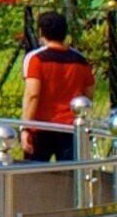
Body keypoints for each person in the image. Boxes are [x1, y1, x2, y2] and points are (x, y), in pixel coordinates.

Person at [20, 10, 95, 163]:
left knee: (34, 178)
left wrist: (25, 127)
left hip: (41, 126)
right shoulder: (80, 60)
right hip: (70, 127)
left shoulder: (36, 59)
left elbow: (32, 94)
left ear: (41, 32)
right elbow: (89, 92)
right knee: (70, 177)